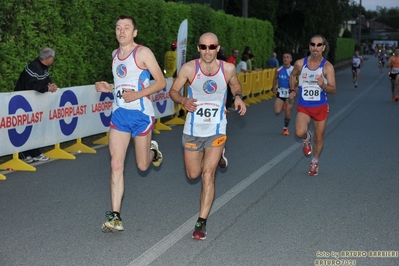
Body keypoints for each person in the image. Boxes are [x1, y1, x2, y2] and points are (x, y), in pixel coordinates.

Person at [169, 32, 247, 240]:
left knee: (207, 174)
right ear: (198, 48)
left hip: (216, 128)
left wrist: (238, 97)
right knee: (193, 174)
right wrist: (183, 101)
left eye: (212, 47)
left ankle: (201, 222)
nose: (207, 51)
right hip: (193, 130)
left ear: (218, 48)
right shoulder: (189, 69)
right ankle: (219, 155)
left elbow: (235, 85)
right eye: (203, 47)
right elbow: (173, 91)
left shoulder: (227, 68)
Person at [95, 14, 166, 233]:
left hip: (141, 115)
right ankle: (116, 216)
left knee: (143, 165)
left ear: (134, 32)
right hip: (119, 115)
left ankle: (154, 152)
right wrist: (109, 88)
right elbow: (121, 83)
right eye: (118, 28)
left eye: (126, 27)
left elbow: (161, 82)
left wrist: (137, 95)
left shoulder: (143, 53)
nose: (122, 31)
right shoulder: (114, 54)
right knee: (116, 164)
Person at [289, 35, 336, 176]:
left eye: (319, 45)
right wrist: (293, 89)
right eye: (313, 44)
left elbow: (333, 89)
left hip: (320, 106)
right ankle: (306, 137)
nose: (315, 47)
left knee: (319, 138)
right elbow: (293, 76)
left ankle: (314, 161)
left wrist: (323, 85)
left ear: (323, 47)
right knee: (299, 132)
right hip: (304, 105)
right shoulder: (299, 63)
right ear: (309, 46)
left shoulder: (327, 67)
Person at [14, 47, 58, 163]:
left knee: (34, 127)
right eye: (53, 58)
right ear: (48, 58)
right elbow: (31, 85)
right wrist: (47, 88)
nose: (53, 61)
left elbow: (44, 81)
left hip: (34, 103)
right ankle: (24, 153)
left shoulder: (43, 68)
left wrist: (50, 85)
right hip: (23, 103)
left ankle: (34, 152)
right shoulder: (34, 66)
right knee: (24, 127)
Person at [273, 53, 294, 136]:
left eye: (287, 57)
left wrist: (296, 89)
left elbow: (300, 79)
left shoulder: (293, 70)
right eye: (284, 57)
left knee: (288, 113)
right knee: (277, 111)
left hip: (289, 94)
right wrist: (274, 88)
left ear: (290, 60)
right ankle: (283, 104)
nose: (285, 59)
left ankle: (285, 128)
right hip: (280, 93)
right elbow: (274, 79)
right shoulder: (279, 69)